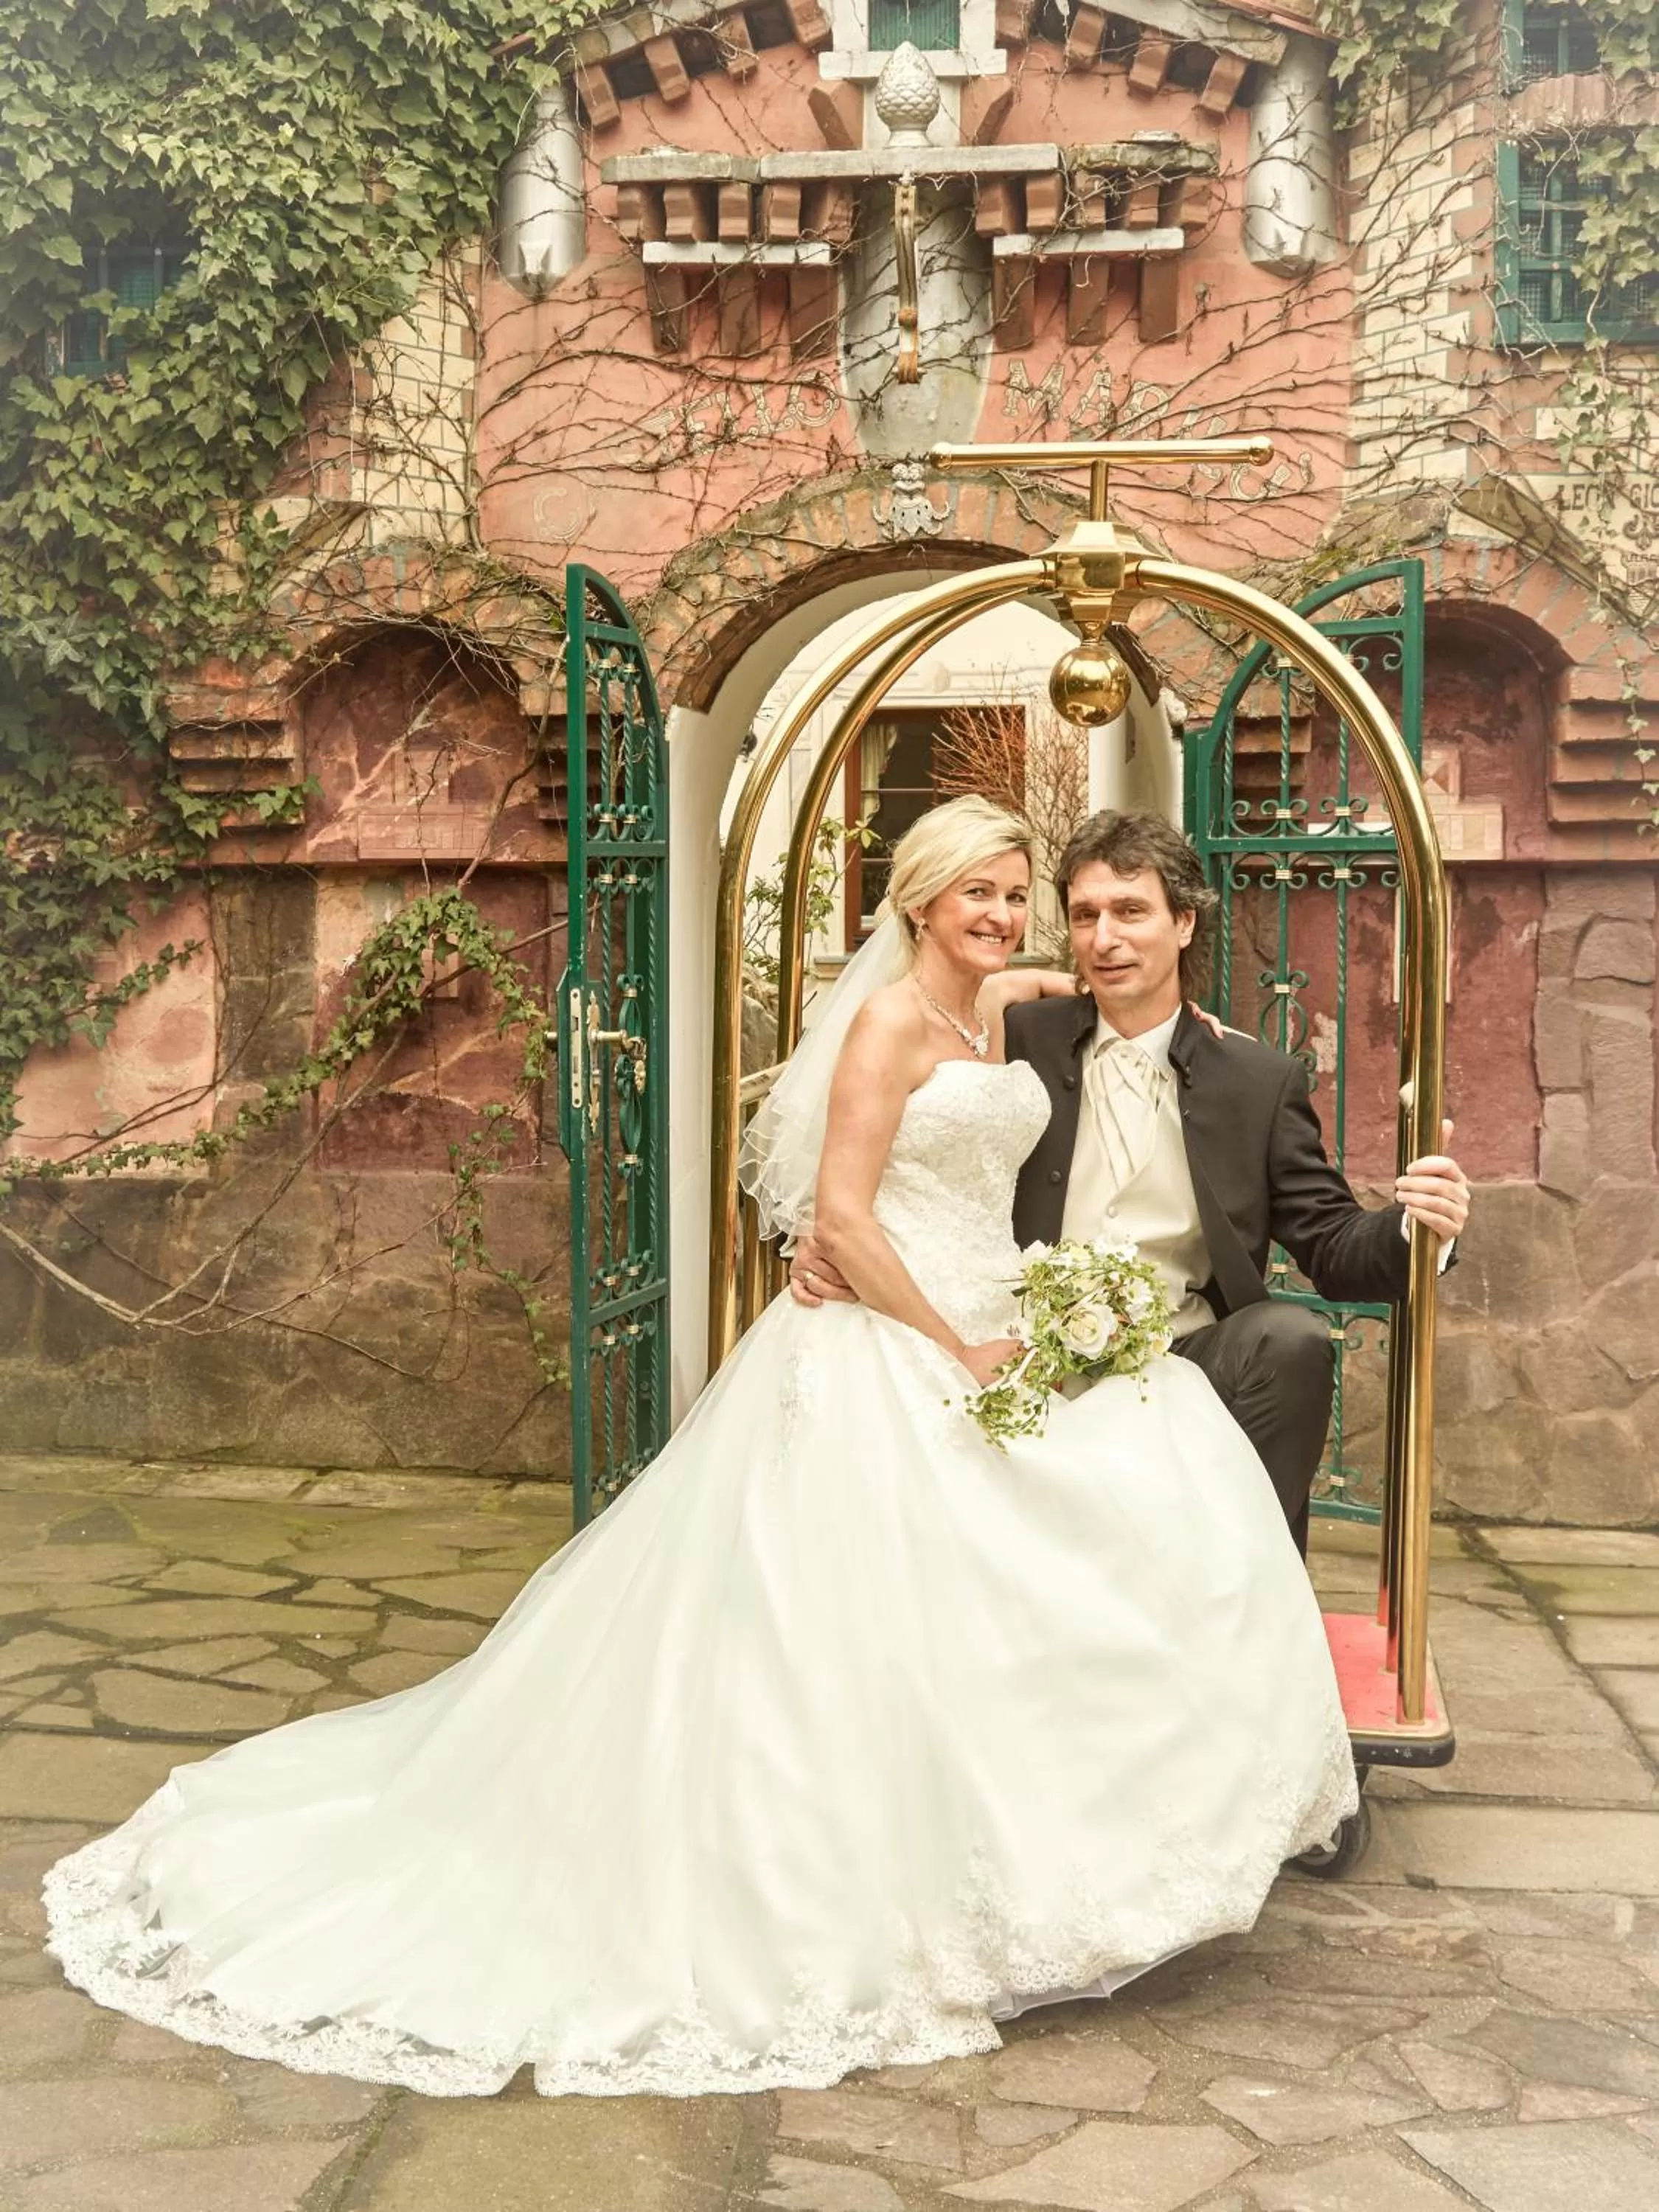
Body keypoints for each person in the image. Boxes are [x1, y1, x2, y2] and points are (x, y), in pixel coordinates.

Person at [44, 797, 1358, 2101]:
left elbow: (1093, 993)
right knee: (831, 1623)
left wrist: (1197, 1036)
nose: (1021, 919)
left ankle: (1120, 1805)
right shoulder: (896, 1020)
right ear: (917, 902)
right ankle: (848, 1876)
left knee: (1040, 1554)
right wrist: (940, 1337)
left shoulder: (1013, 1007)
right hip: (901, 1342)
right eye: (990, 895)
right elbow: (842, 1209)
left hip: (998, 1318)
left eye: (1030, 898)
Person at [793, 807, 1471, 1555]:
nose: (1105, 938)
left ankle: (1252, 1588)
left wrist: (1417, 1222)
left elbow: (1333, 1244)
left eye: (1131, 912)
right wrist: (825, 1246)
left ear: (1184, 923)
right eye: (1085, 915)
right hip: (1020, 1355)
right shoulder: (1010, 1037)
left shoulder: (1253, 1080)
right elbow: (904, 1146)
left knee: (1292, 1338)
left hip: (1176, 1357)